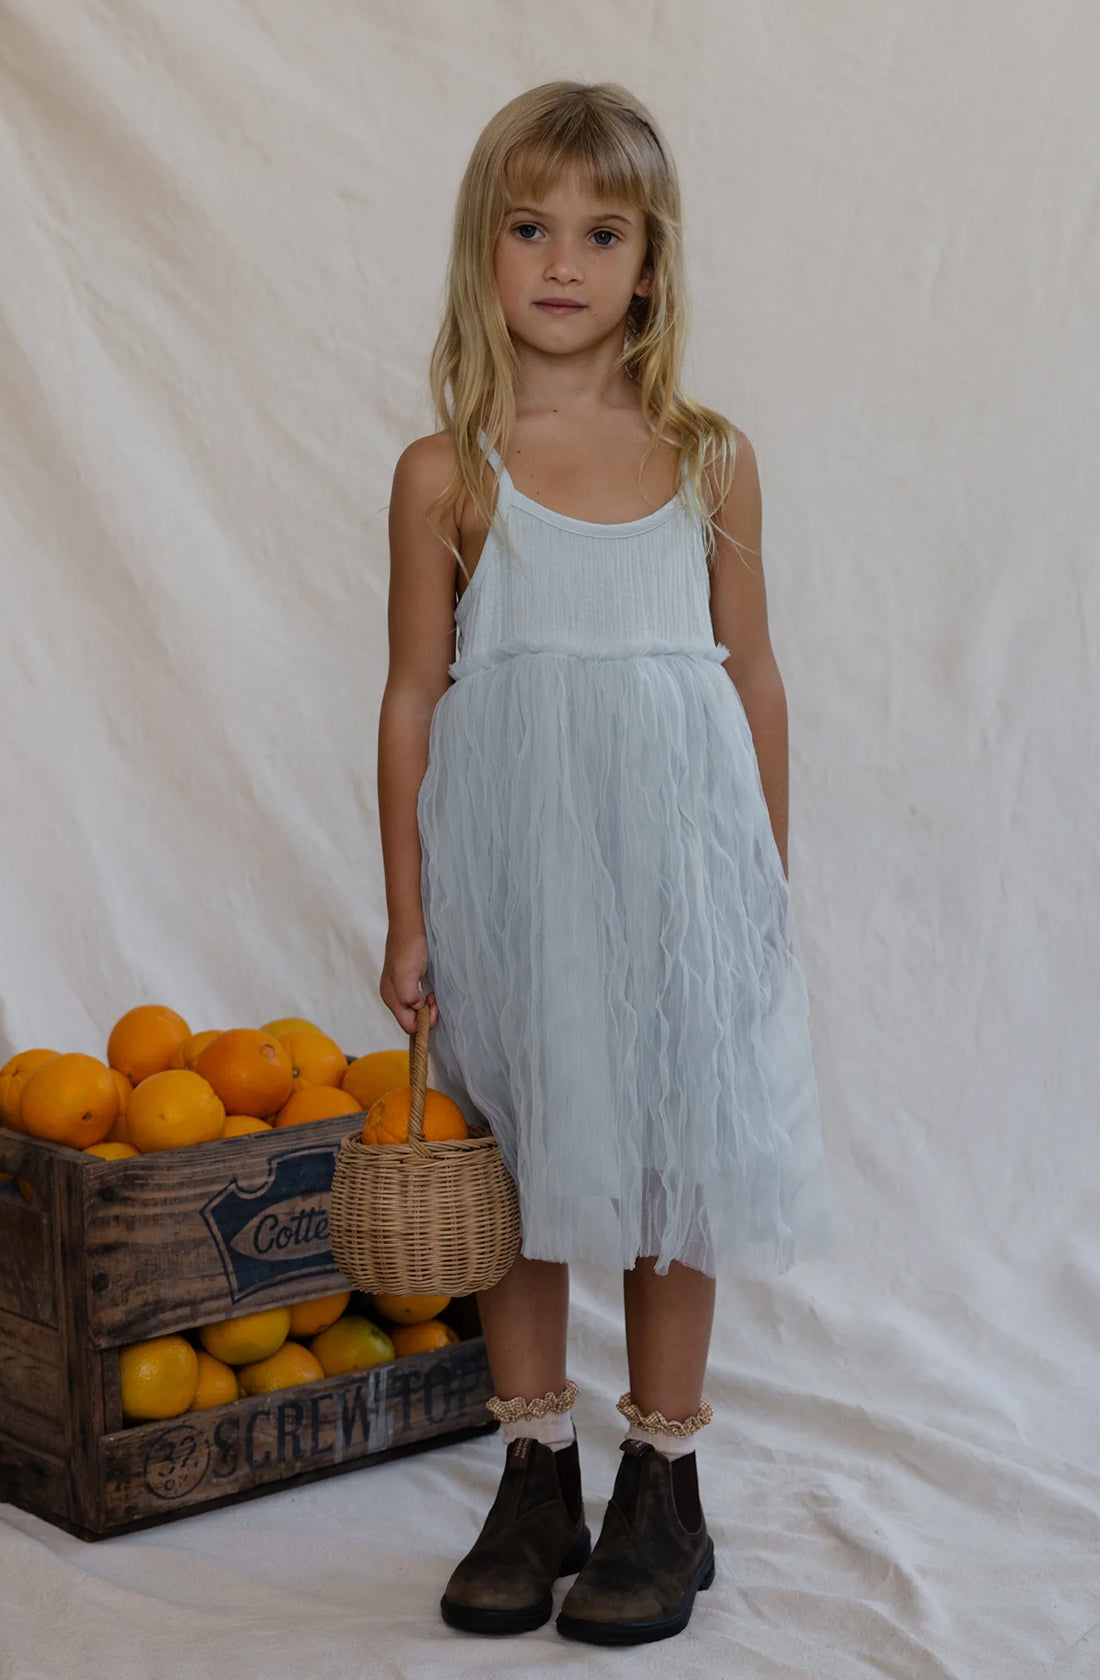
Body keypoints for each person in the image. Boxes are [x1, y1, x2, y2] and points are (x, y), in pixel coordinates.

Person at [377, 79, 835, 1647]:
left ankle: (663, 1483)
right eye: (529, 227)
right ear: (483, 250)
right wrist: (408, 911)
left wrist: (763, 883)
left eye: (601, 231)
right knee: (516, 1169)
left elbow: (752, 674)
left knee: (662, 1164)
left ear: (652, 261)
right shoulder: (454, 472)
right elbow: (413, 694)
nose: (562, 261)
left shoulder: (710, 457)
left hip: (676, 880)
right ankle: (532, 1469)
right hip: (514, 877)